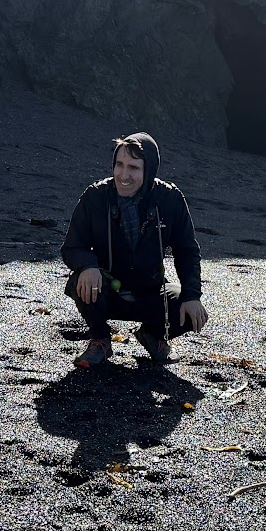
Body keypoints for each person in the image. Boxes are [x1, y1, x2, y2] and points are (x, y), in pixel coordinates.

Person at [59, 133, 207, 369]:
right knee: (80, 279)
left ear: (148, 171)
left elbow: (187, 250)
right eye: (119, 165)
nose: (123, 175)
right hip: (107, 291)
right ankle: (100, 340)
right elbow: (72, 247)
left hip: (150, 292)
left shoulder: (169, 199)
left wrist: (192, 295)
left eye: (133, 168)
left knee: (190, 307)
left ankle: (153, 334)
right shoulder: (95, 196)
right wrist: (87, 265)